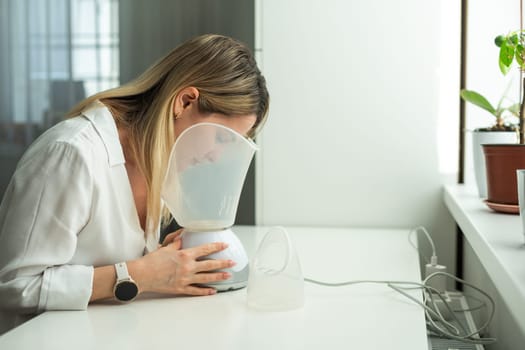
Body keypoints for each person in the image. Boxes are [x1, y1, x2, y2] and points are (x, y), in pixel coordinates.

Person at [0, 33, 269, 334]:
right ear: (185, 101)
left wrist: (161, 266)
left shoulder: (159, 163)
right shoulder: (72, 152)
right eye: (221, 137)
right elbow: (12, 287)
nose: (217, 156)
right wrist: (139, 274)